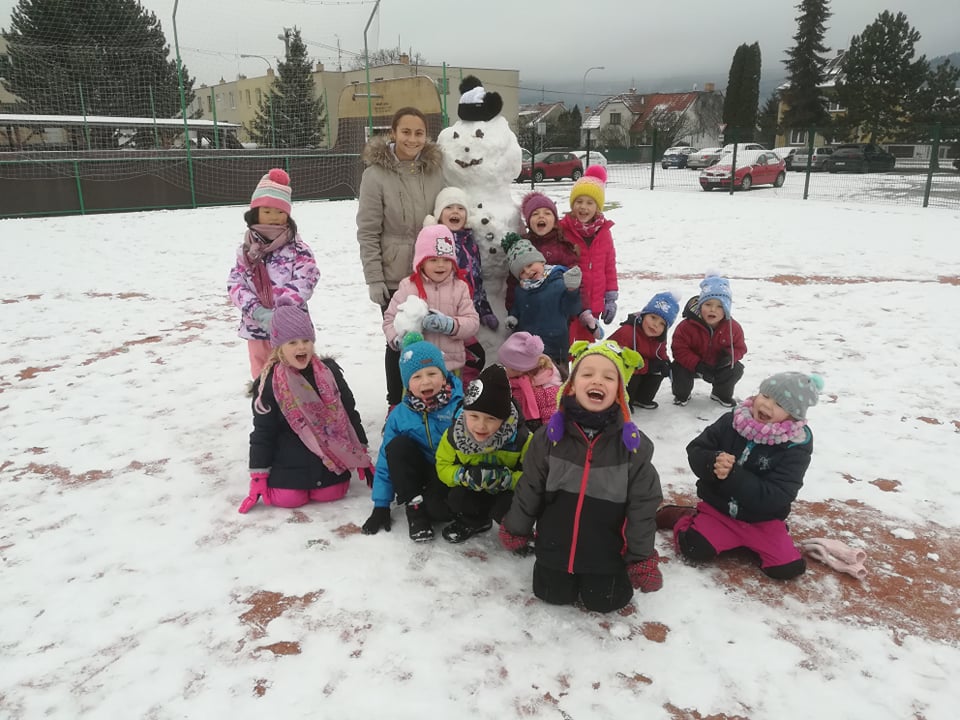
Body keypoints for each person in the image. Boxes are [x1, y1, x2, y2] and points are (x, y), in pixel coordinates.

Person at [499, 339, 664, 613]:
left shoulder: (632, 448)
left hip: (606, 554)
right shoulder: (549, 439)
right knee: (551, 594)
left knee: (607, 601)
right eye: (587, 374)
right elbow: (530, 489)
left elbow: (642, 508)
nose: (597, 381)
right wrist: (517, 528)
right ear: (572, 386)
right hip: (555, 548)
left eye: (608, 377)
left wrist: (641, 558)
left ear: (619, 391)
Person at [656, 372, 823, 580]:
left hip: (762, 520)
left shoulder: (795, 445)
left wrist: (733, 475)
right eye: (765, 395)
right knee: (693, 548)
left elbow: (780, 494)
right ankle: (685, 516)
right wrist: (712, 461)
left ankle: (751, 540)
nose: (767, 405)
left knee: (788, 569)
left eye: (779, 404)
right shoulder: (733, 421)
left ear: (793, 416)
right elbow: (697, 449)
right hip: (719, 510)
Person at [238, 301, 372, 513]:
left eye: (306, 340)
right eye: (292, 342)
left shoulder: (329, 374)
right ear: (279, 347)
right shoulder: (270, 383)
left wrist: (361, 451)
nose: (301, 347)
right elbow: (263, 431)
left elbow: (349, 413)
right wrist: (258, 475)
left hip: (328, 455)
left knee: (333, 492)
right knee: (288, 498)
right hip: (288, 457)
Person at [356, 107, 445, 408]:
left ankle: (431, 402)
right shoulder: (375, 175)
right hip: (395, 274)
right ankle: (397, 403)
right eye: (406, 132)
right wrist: (374, 278)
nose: (412, 139)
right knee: (400, 341)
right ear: (393, 133)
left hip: (432, 271)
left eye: (419, 133)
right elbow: (368, 231)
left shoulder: (434, 171)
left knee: (432, 337)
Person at [361, 333, 463, 541]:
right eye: (417, 377)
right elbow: (386, 460)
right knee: (397, 446)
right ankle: (415, 510)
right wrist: (381, 504)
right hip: (417, 472)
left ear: (444, 376)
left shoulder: (460, 407)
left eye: (432, 373)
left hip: (448, 473)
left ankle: (434, 502)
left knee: (440, 512)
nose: (425, 381)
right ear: (407, 383)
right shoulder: (400, 415)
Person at [228, 168, 319, 380]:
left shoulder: (298, 248)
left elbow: (307, 279)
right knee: (263, 374)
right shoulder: (246, 251)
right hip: (256, 326)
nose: (274, 217)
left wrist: (281, 311)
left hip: (291, 329)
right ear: (255, 213)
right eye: (267, 211)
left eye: (279, 212)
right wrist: (258, 311)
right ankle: (264, 400)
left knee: (296, 374)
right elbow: (235, 284)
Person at [435, 364, 532, 543]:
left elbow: (533, 477)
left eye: (491, 419)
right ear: (465, 413)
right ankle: (473, 521)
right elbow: (442, 466)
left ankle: (516, 529)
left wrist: (508, 479)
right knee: (457, 497)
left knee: (509, 505)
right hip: (473, 488)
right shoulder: (454, 435)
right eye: (474, 416)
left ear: (504, 419)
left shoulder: (521, 438)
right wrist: (463, 476)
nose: (481, 426)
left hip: (505, 492)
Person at [383, 224, 480, 377]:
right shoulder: (408, 287)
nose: (441, 265)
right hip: (417, 369)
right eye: (433, 260)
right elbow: (389, 320)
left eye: (446, 260)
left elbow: (472, 322)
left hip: (450, 367)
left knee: (453, 394)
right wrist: (398, 340)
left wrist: (451, 325)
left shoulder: (460, 288)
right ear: (421, 262)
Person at [424, 186, 496, 384]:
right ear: (438, 215)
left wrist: (484, 309)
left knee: (472, 357)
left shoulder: (470, 242)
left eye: (460, 208)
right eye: (448, 207)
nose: (455, 212)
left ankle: (463, 390)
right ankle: (448, 389)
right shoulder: (434, 241)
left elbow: (477, 278)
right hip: (445, 311)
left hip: (467, 312)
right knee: (450, 357)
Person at [501, 232, 582, 371]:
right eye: (522, 271)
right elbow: (518, 307)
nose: (528, 271)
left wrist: (572, 290)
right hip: (529, 349)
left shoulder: (559, 282)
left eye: (530, 264)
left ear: (542, 261)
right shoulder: (521, 290)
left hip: (556, 347)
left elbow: (573, 309)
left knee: (556, 379)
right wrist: (513, 316)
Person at [558, 166, 619, 344]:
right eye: (579, 201)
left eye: (590, 203)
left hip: (594, 303)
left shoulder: (604, 232)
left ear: (597, 207)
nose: (583, 207)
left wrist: (610, 297)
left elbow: (609, 266)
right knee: (567, 346)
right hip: (570, 303)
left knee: (585, 348)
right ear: (572, 204)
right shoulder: (563, 230)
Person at [670, 273, 747, 408]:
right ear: (700, 305)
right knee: (678, 368)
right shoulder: (687, 326)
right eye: (708, 304)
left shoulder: (733, 328)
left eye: (720, 306)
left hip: (718, 366)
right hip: (692, 366)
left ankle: (721, 393)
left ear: (727, 309)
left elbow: (740, 348)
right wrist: (697, 364)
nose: (713, 309)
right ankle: (681, 394)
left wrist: (729, 357)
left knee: (736, 368)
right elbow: (679, 349)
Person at [505, 191, 579, 310]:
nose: (541, 216)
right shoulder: (522, 247)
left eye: (547, 213)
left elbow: (575, 278)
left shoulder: (563, 246)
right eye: (535, 214)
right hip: (529, 310)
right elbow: (513, 283)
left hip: (559, 310)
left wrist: (582, 311)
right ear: (528, 222)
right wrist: (512, 310)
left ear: (555, 221)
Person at [609, 291, 681, 410]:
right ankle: (622, 401)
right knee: (633, 376)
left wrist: (665, 363)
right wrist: (648, 366)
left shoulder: (659, 338)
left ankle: (642, 398)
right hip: (617, 373)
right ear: (643, 315)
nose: (655, 325)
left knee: (658, 371)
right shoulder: (627, 332)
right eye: (653, 317)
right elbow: (620, 362)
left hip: (641, 368)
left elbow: (660, 353)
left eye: (662, 324)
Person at [497, 332, 563, 432]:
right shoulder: (514, 381)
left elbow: (551, 421)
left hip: (537, 435)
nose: (501, 368)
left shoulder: (546, 392)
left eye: (505, 366)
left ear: (519, 369)